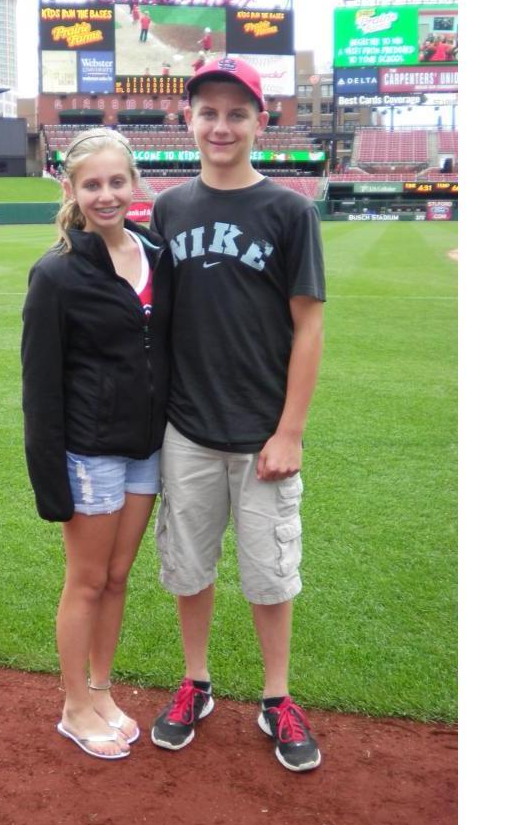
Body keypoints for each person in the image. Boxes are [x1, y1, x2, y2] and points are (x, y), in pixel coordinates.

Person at [147, 57, 326, 772]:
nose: (221, 126)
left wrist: (290, 431)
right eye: (208, 112)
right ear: (188, 121)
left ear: (260, 122)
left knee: (269, 572)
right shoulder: (170, 208)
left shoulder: (289, 212)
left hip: (262, 435)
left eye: (236, 113)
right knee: (189, 568)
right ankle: (196, 683)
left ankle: (276, 697)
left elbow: (308, 327)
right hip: (187, 428)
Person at [21, 128, 171, 760]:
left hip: (146, 448)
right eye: (92, 184)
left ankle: (102, 690)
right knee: (85, 581)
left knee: (117, 578)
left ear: (134, 185)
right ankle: (74, 703)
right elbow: (39, 387)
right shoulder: (56, 274)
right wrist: (50, 483)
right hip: (89, 452)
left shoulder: (158, 255)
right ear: (72, 190)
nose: (106, 195)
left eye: (116, 182)